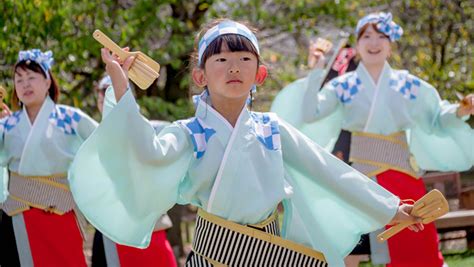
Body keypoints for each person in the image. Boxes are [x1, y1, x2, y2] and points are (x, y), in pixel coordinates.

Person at [69, 19, 421, 267]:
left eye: (243, 60)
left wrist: (390, 209)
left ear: (259, 74)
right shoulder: (188, 133)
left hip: (270, 252)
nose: (233, 67)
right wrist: (119, 82)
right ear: (200, 76)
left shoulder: (272, 129)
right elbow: (143, 151)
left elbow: (328, 171)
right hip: (215, 253)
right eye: (221, 60)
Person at [272, 12, 474, 267]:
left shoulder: (408, 85)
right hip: (361, 177)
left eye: (381, 36)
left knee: (416, 248)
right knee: (347, 244)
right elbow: (311, 113)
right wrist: (316, 70)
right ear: (357, 45)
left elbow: (435, 117)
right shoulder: (344, 85)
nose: (374, 42)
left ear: (390, 45)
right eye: (366, 36)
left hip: (403, 174)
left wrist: (460, 110)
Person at [0, 49, 98, 266]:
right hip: (18, 215)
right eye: (19, 79)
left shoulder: (70, 118)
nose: (25, 84)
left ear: (47, 82)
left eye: (32, 78)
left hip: (60, 212)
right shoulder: (7, 125)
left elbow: (104, 144)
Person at [90, 75, 177, 267]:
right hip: (108, 226)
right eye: (102, 96)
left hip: (147, 225)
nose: (105, 100)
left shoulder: (151, 130)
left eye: (113, 95)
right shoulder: (91, 135)